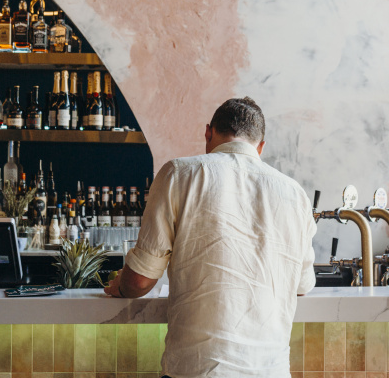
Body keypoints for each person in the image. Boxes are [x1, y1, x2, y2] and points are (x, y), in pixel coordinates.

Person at [104, 97, 316, 378]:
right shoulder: (295, 194)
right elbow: (301, 285)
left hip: (198, 369)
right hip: (270, 371)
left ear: (208, 133)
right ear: (260, 147)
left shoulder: (178, 174)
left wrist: (120, 287)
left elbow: (140, 281)